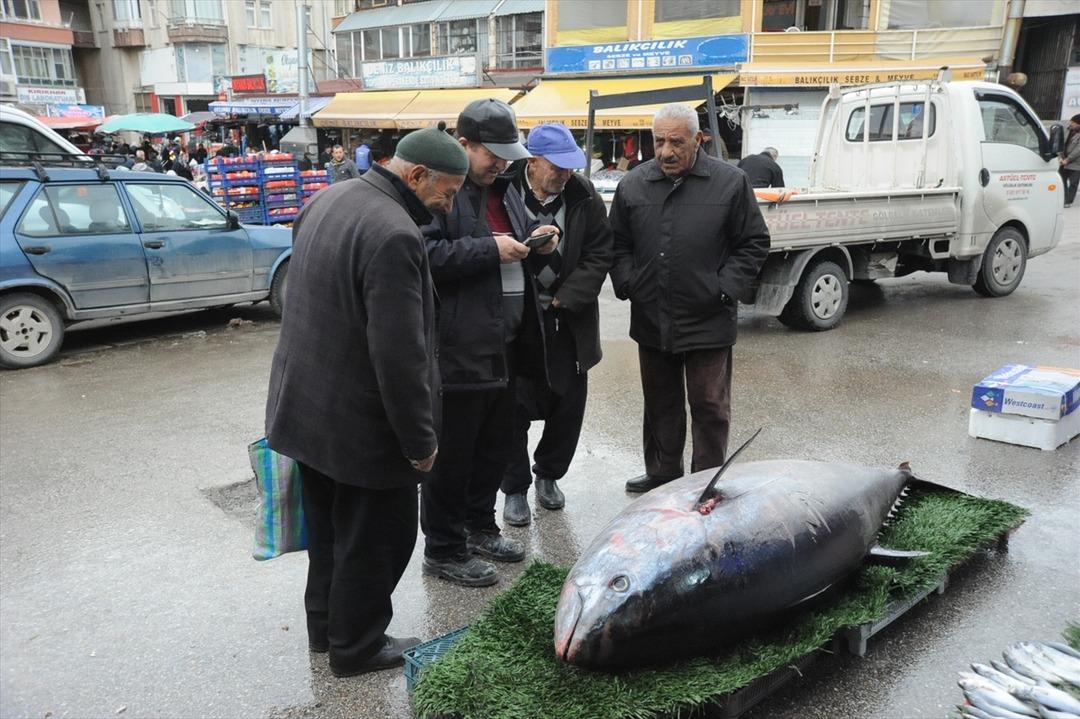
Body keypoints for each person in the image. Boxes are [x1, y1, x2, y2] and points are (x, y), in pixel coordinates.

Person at [264, 128, 468, 678]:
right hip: (359, 424)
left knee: (330, 532)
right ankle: (356, 646)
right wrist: (420, 443)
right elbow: (400, 356)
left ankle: (326, 630)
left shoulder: (329, 198)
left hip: (305, 408)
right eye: (447, 193)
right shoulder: (394, 233)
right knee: (376, 538)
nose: (449, 206)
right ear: (416, 175)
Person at [420, 100, 558, 587]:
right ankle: (443, 548)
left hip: (507, 344)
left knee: (494, 447)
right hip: (460, 347)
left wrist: (538, 239)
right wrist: (490, 249)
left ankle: (480, 527)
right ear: (463, 145)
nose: (500, 163)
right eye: (491, 154)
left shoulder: (503, 188)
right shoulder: (441, 192)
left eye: (506, 155)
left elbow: (512, 243)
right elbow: (425, 255)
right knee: (453, 454)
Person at [609, 104, 770, 494]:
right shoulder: (633, 184)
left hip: (708, 317)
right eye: (659, 141)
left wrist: (723, 288)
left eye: (676, 142)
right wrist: (629, 283)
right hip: (652, 316)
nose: (666, 151)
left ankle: (704, 483)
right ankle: (663, 475)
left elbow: (753, 242)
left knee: (709, 405)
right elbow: (617, 244)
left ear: (698, 140)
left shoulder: (730, 183)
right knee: (659, 403)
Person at [500, 123, 613, 526]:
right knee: (510, 405)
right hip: (517, 317)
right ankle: (514, 488)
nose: (565, 174)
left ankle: (548, 474)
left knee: (568, 402)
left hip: (567, 316)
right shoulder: (503, 190)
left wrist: (572, 295)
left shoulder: (583, 194)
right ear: (532, 160)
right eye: (556, 166)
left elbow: (601, 252)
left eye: (570, 166)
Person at [1061, 114, 1080, 208]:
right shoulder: (1068, 130)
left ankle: (1068, 201)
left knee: (1073, 183)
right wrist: (1061, 156)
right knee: (1061, 180)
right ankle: (1063, 198)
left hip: (1076, 163)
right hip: (1063, 160)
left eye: (1073, 122)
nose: (1070, 123)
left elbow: (1078, 150)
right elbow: (1062, 142)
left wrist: (1067, 160)